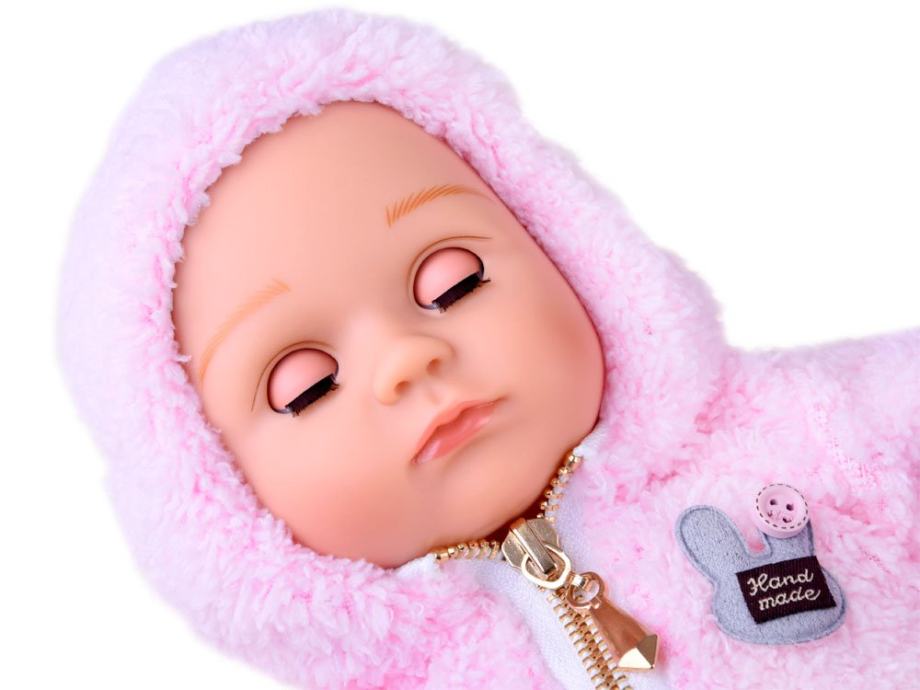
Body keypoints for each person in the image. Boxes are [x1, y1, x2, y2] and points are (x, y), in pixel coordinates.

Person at [56, 8, 919, 689]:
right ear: (215, 500)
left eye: (452, 283)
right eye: (308, 384)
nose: (407, 359)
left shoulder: (822, 433)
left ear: (567, 246)